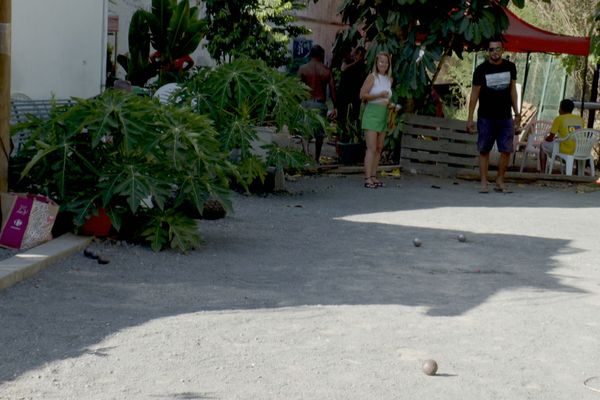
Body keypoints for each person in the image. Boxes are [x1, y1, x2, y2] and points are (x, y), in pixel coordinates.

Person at [467, 39, 520, 193]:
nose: (494, 52)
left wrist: (517, 113)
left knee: (506, 150)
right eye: (491, 50)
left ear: (503, 50)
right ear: (487, 52)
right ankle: (484, 182)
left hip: (505, 116)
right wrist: (470, 118)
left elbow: (513, 91)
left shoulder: (510, 67)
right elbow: (474, 95)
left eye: (497, 49)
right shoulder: (481, 70)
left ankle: (500, 180)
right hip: (486, 117)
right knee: (484, 149)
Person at [298, 44, 337, 163]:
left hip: (306, 103)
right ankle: (316, 158)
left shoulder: (303, 69)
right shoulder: (326, 70)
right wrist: (335, 107)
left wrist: (297, 104)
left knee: (305, 131)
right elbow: (332, 90)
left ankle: (306, 155)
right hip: (320, 104)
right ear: (321, 55)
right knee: (319, 134)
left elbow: (296, 88)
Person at [359, 52, 393, 189]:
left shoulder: (389, 79)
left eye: (385, 62)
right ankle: (367, 178)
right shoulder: (372, 77)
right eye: (381, 62)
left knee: (379, 148)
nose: (383, 64)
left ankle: (374, 175)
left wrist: (390, 106)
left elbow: (387, 99)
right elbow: (362, 95)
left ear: (389, 64)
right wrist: (378, 95)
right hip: (372, 113)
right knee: (371, 148)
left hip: (383, 114)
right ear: (376, 63)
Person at [539, 99, 584, 174]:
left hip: (564, 150)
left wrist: (545, 139)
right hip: (577, 149)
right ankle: (577, 172)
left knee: (542, 145)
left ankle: (542, 172)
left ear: (561, 108)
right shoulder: (580, 119)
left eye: (559, 107)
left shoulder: (559, 119)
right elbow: (573, 133)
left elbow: (550, 138)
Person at [336, 46, 367, 139]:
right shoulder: (348, 61)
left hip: (355, 97)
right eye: (359, 55)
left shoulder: (363, 67)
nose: (360, 58)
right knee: (342, 120)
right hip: (344, 96)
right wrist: (355, 63)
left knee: (354, 119)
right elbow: (343, 69)